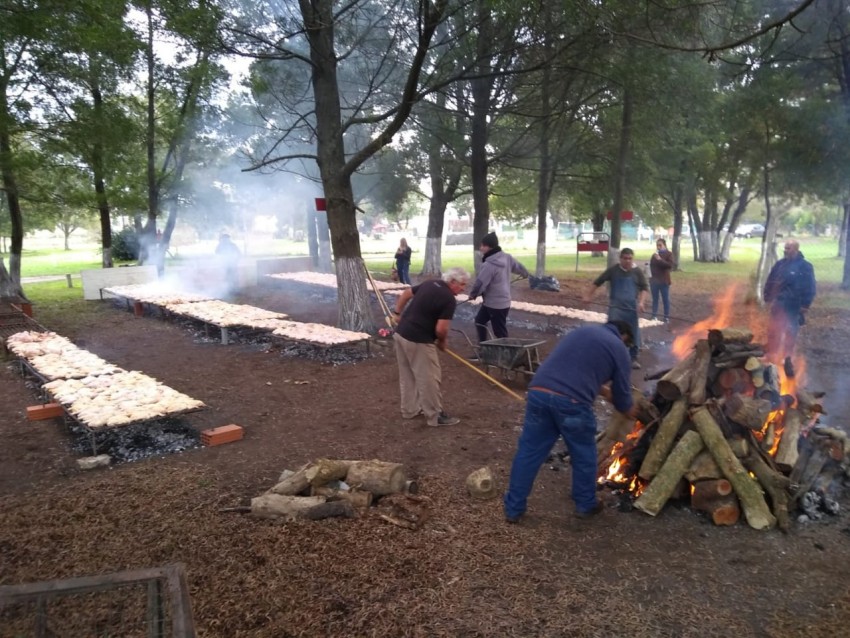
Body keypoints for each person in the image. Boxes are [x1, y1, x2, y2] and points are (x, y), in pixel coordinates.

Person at [503, 321, 639, 523]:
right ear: (625, 336)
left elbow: (575, 370)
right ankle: (585, 504)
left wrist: (604, 391)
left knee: (529, 451)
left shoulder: (583, 331)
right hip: (571, 403)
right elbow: (623, 397)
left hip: (539, 392)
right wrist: (632, 412)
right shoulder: (618, 347)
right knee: (584, 454)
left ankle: (513, 509)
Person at [392, 267, 471, 427]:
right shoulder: (448, 299)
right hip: (419, 341)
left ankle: (410, 410)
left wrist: (397, 314)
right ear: (453, 281)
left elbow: (406, 293)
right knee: (429, 379)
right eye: (462, 285)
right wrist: (442, 342)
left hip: (400, 335)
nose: (464, 289)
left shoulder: (431, 283)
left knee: (407, 376)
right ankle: (435, 416)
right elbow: (441, 329)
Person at [583, 247, 648, 369]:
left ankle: (632, 358)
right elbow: (598, 282)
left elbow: (644, 288)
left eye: (630, 258)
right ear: (620, 259)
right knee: (612, 332)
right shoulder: (613, 271)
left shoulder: (637, 272)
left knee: (632, 332)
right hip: (615, 308)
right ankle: (610, 356)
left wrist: (641, 302)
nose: (628, 261)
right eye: (625, 258)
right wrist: (588, 295)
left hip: (631, 308)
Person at [467, 232, 529, 346]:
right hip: (496, 302)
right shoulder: (507, 257)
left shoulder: (489, 264)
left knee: (500, 332)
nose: (480, 248)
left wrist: (473, 294)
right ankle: (484, 349)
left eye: (482, 246)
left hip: (496, 304)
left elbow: (480, 283)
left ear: (489, 246)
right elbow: (519, 267)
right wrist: (525, 273)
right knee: (480, 321)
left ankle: (507, 355)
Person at [763, 239, 816, 372]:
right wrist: (767, 297)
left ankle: (787, 358)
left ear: (796, 250)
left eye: (788, 249)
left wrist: (806, 304)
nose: (785, 251)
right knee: (774, 330)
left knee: (790, 331)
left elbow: (810, 287)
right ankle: (772, 356)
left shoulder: (805, 266)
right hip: (778, 304)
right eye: (785, 248)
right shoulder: (780, 265)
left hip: (794, 305)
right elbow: (771, 281)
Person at [649, 238, 674, 323]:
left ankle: (666, 317)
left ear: (664, 245)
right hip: (654, 281)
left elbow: (669, 265)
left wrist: (660, 260)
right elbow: (651, 266)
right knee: (655, 299)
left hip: (664, 280)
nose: (658, 247)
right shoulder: (654, 255)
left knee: (665, 299)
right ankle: (654, 315)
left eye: (660, 245)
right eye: (657, 245)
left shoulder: (669, 254)